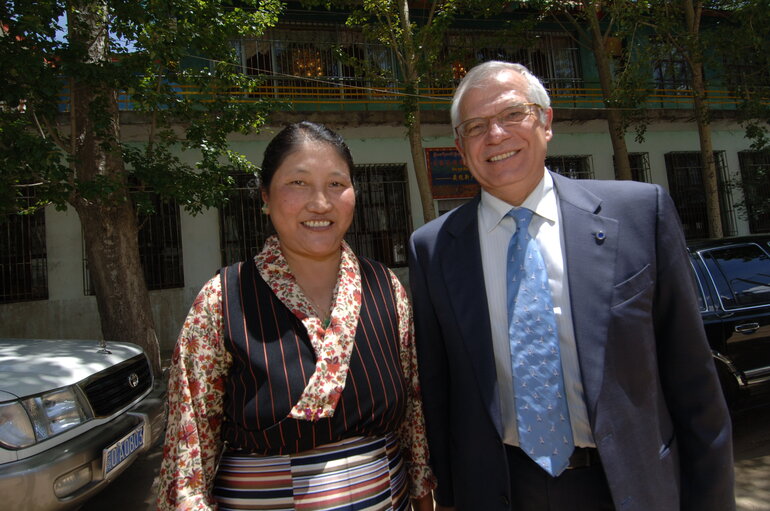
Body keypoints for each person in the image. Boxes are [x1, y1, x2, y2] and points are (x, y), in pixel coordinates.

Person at [408, 61, 735, 511]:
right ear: (461, 148)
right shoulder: (433, 249)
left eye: (512, 115)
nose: (496, 135)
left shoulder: (640, 214)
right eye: (476, 126)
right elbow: (439, 395)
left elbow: (693, 380)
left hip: (629, 486)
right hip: (501, 489)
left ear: (546, 122)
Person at [158, 121, 436, 511]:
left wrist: (423, 492)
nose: (321, 203)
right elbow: (188, 456)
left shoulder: (386, 288)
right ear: (265, 197)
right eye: (298, 183)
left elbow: (414, 420)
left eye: (337, 184)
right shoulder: (223, 300)